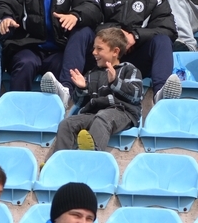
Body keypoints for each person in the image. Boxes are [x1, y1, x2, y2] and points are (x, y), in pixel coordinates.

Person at [51, 0, 181, 107]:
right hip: (99, 57)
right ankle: (66, 91)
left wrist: (135, 36)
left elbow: (169, 29)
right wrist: (118, 36)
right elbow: (89, 15)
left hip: (135, 60)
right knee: (81, 32)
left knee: (162, 40)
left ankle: (161, 96)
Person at [43, 27, 143, 158]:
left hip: (122, 113)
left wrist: (115, 81)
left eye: (99, 49)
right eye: (94, 48)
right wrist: (82, 88)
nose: (94, 52)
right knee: (67, 123)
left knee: (103, 117)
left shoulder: (129, 69)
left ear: (115, 51)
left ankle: (91, 157)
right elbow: (79, 103)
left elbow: (136, 95)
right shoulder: (91, 74)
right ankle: (58, 160)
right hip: (94, 114)